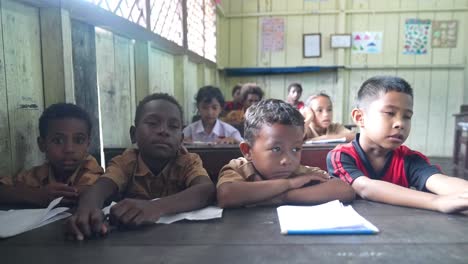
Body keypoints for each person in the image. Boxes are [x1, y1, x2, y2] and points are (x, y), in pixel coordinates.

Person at [66, 93, 215, 240]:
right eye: (152, 123)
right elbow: (101, 187)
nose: (163, 131)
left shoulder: (187, 161)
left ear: (181, 139)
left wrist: (155, 207)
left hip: (180, 240)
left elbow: (206, 190)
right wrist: (88, 208)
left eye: (173, 126)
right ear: (133, 134)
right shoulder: (126, 162)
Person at [327, 76, 468, 214]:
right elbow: (365, 187)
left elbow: (439, 181)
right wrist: (437, 202)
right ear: (360, 118)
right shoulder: (341, 156)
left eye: (407, 116)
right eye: (389, 113)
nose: (400, 123)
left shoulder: (409, 158)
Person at [217, 99, 355, 208]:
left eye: (296, 149)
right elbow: (226, 195)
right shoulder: (239, 168)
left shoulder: (300, 171)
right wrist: (289, 183)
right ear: (248, 151)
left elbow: (344, 189)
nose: (287, 160)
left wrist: (284, 196)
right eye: (276, 149)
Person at [0, 103, 103, 207]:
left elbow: (91, 191)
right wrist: (36, 195)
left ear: (88, 144)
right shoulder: (37, 174)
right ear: (42, 145)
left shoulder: (92, 170)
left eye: (79, 140)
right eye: (58, 141)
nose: (69, 149)